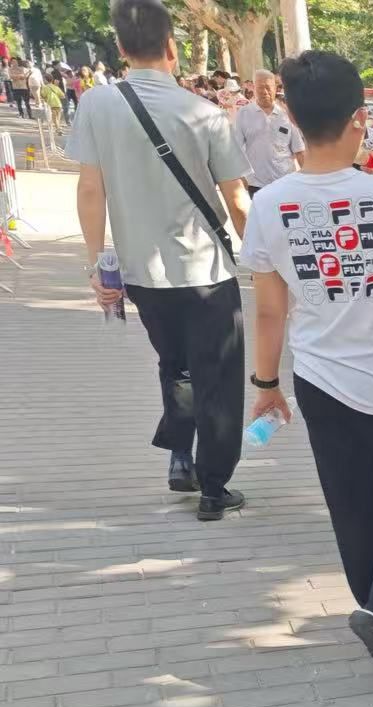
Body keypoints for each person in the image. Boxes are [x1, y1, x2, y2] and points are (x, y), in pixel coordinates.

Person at [241, 50, 373, 670]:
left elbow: (269, 311)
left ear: (290, 116)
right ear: (360, 118)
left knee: (352, 506)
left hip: (318, 380)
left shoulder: (269, 203)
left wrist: (265, 383)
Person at [69, 0, 252, 518]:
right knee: (217, 377)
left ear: (120, 47)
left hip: (141, 273)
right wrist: (266, 263)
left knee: (175, 365)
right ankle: (213, 488)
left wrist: (96, 264)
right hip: (207, 271)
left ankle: (180, 457)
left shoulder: (95, 104)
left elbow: (90, 189)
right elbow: (237, 200)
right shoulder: (205, 112)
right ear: (172, 46)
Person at [234, 69, 302, 194]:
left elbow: (299, 150)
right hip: (256, 183)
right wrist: (240, 177)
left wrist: (308, 180)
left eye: (268, 87)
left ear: (275, 88)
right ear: (253, 88)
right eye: (260, 87)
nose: (264, 92)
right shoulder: (243, 113)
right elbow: (236, 149)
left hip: (286, 180)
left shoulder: (286, 114)